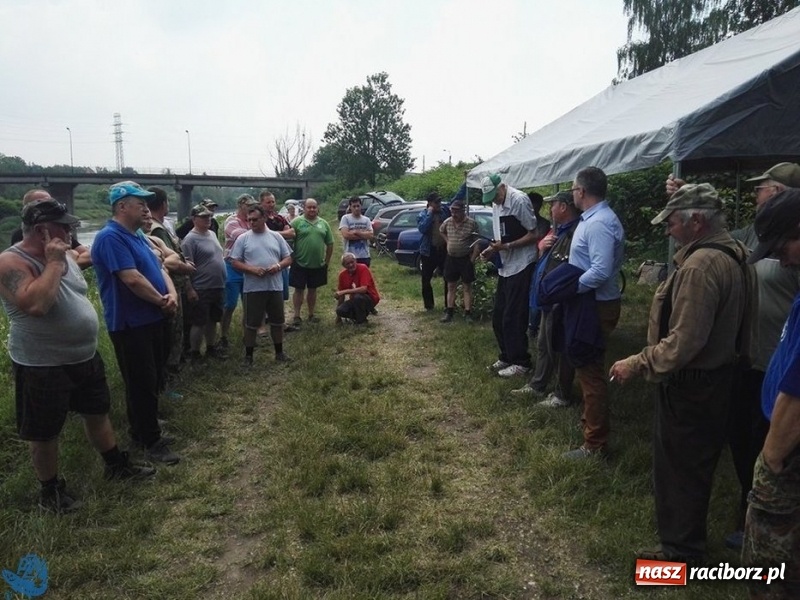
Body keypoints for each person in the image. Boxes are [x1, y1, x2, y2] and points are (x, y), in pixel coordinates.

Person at [609, 183, 751, 562]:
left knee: (679, 473)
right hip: (718, 379)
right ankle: (685, 545)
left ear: (696, 221)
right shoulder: (734, 252)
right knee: (696, 468)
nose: (668, 229)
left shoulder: (700, 266)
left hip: (691, 386)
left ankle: (678, 556)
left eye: (672, 222)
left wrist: (635, 363)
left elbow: (685, 341)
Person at [667, 163, 800, 550]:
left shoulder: (710, 263)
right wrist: (685, 198)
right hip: (756, 362)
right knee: (743, 443)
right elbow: (718, 231)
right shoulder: (752, 238)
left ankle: (765, 545)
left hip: (776, 378)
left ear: (780, 194)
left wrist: (772, 461)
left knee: (761, 454)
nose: (781, 258)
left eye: (763, 189)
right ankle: (753, 517)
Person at [0, 198, 156, 513]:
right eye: (64, 225)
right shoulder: (10, 262)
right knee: (44, 431)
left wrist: (64, 256)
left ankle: (115, 464)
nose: (73, 229)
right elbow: (36, 305)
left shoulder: (66, 252)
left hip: (83, 355)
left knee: (97, 412)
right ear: (42, 230)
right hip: (42, 363)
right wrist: (55, 261)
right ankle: (51, 492)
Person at [91, 181, 181, 465]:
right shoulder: (110, 237)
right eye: (139, 202)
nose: (145, 206)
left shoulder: (138, 235)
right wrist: (161, 300)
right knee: (140, 381)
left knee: (153, 377)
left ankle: (145, 428)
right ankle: (150, 442)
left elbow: (159, 267)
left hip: (155, 317)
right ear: (121, 206)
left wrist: (172, 295)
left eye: (146, 202)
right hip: (131, 324)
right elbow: (131, 279)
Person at [741, 189, 800, 600]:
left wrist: (773, 455)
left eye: (782, 247)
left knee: (772, 561)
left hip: (787, 451)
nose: (782, 259)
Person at [563, 166, 624, 459]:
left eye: (574, 189)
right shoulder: (596, 219)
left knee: (591, 372)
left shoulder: (599, 223)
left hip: (595, 303)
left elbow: (599, 270)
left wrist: (571, 288)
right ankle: (590, 425)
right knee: (587, 367)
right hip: (592, 301)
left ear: (582, 191)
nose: (573, 193)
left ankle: (595, 444)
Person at [511, 191, 580, 405]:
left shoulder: (575, 232)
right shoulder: (558, 230)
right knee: (543, 343)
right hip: (548, 297)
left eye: (554, 205)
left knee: (557, 346)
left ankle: (561, 393)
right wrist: (541, 247)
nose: (549, 209)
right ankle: (538, 384)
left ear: (564, 207)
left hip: (560, 299)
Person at [479, 173, 539, 377]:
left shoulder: (519, 200)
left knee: (513, 316)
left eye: (495, 196)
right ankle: (506, 356)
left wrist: (507, 246)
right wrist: (493, 250)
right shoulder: (496, 204)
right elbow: (500, 236)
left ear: (502, 186)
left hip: (522, 264)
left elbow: (534, 233)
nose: (494, 201)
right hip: (506, 265)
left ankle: (521, 362)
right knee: (499, 315)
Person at [229, 205, 293, 366]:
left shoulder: (275, 237)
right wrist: (252, 269)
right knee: (251, 324)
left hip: (274, 286)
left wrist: (277, 266)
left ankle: (279, 353)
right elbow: (234, 261)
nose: (251, 222)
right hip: (253, 288)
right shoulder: (243, 238)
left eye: (255, 219)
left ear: (264, 218)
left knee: (277, 322)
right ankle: (248, 356)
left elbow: (288, 258)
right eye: (249, 220)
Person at [146, 187, 195, 372]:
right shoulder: (156, 230)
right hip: (169, 288)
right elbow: (169, 261)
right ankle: (170, 374)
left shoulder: (160, 226)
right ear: (163, 203)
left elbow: (173, 256)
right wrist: (186, 267)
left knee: (177, 331)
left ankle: (174, 369)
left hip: (174, 287)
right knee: (172, 332)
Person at [181, 204, 227, 361]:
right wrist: (189, 289)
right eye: (203, 217)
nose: (208, 219)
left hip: (217, 285)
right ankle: (194, 353)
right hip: (201, 287)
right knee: (199, 321)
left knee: (213, 319)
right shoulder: (189, 240)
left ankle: (211, 348)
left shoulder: (212, 234)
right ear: (194, 219)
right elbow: (186, 268)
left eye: (209, 216)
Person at [9, 189, 92, 268]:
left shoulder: (60, 232)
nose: (51, 205)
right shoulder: (21, 236)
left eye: (51, 200)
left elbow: (88, 255)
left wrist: (68, 263)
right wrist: (59, 261)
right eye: (42, 202)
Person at [220, 194, 258, 348]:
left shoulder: (251, 221)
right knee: (229, 304)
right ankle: (223, 337)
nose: (251, 208)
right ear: (241, 205)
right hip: (232, 267)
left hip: (248, 267)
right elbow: (244, 237)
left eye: (252, 205)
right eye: (248, 205)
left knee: (249, 304)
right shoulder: (231, 221)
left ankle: (247, 336)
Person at [289, 198, 334, 325]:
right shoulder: (296, 222)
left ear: (317, 208)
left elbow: (330, 244)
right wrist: (291, 258)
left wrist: (327, 261)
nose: (312, 209)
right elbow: (288, 242)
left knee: (313, 290)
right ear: (304, 208)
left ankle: (311, 314)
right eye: (309, 207)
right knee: (299, 290)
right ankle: (297, 316)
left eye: (314, 207)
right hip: (299, 263)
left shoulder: (324, 223)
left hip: (317, 264)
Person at [438, 199, 478, 323]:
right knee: (451, 285)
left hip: (465, 258)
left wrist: (472, 259)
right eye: (452, 211)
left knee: (467, 286)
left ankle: (468, 313)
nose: (454, 214)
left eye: (456, 212)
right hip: (451, 258)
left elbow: (477, 242)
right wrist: (448, 241)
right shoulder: (448, 222)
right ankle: (449, 311)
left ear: (463, 211)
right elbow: (441, 231)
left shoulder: (471, 223)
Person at [260, 189, 296, 306]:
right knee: (267, 289)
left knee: (281, 289)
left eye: (273, 202)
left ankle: (278, 318)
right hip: (266, 256)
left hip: (281, 257)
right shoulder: (260, 219)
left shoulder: (279, 217)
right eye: (268, 202)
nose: (271, 204)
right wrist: (282, 233)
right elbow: (263, 234)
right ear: (261, 203)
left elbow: (292, 233)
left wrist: (272, 233)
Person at [417, 192, 450, 311]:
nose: (439, 204)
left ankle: (449, 305)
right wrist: (430, 213)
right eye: (436, 202)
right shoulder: (423, 214)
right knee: (426, 279)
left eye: (440, 201)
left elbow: (456, 199)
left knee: (448, 277)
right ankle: (429, 305)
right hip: (428, 251)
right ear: (430, 203)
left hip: (443, 250)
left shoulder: (444, 212)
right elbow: (422, 228)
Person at [334, 252, 380, 325]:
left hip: (370, 298)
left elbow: (363, 289)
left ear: (356, 261)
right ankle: (359, 316)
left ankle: (362, 322)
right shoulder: (342, 275)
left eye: (352, 262)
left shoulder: (363, 268)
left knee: (358, 297)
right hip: (355, 300)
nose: (351, 265)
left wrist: (344, 291)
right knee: (340, 310)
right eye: (347, 264)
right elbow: (341, 296)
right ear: (344, 266)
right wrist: (338, 317)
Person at [339, 196, 374, 266]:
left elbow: (370, 235)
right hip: (349, 256)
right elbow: (346, 235)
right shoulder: (345, 218)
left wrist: (356, 232)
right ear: (350, 207)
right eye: (354, 206)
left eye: (358, 206)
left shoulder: (366, 219)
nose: (356, 208)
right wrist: (364, 234)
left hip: (364, 256)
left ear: (361, 206)